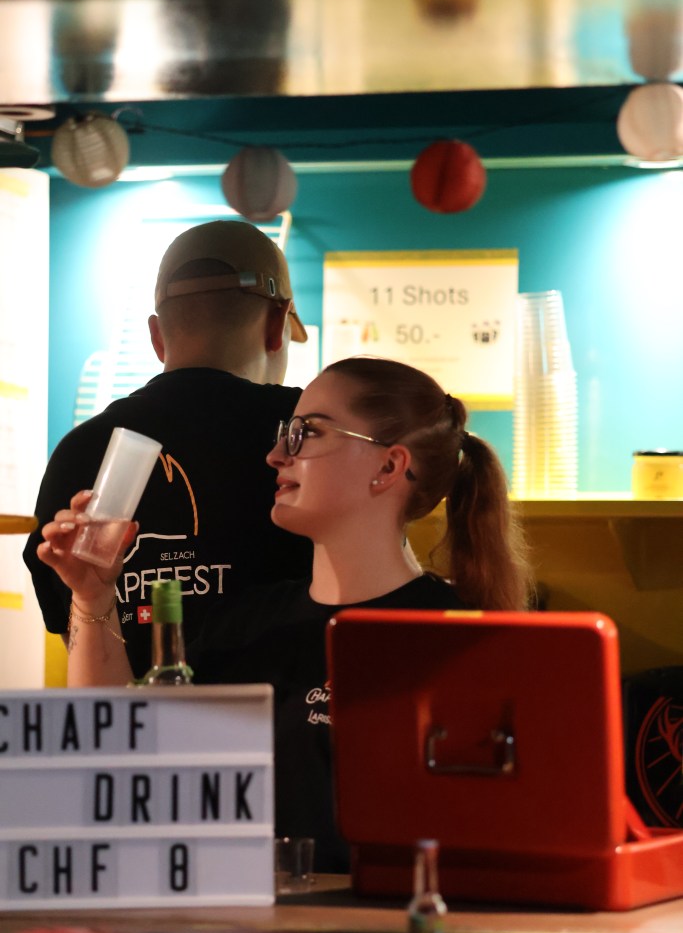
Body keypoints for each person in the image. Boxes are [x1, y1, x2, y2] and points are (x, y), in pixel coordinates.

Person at [37, 356, 530, 871]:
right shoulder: (242, 624)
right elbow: (118, 758)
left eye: (306, 433)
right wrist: (92, 596)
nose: (276, 455)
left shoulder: (455, 642)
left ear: (388, 467)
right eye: (285, 433)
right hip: (238, 917)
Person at [23, 219, 314, 677]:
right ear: (277, 324)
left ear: (157, 336)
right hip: (298, 722)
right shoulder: (313, 435)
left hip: (134, 721)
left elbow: (85, 653)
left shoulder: (79, 453)